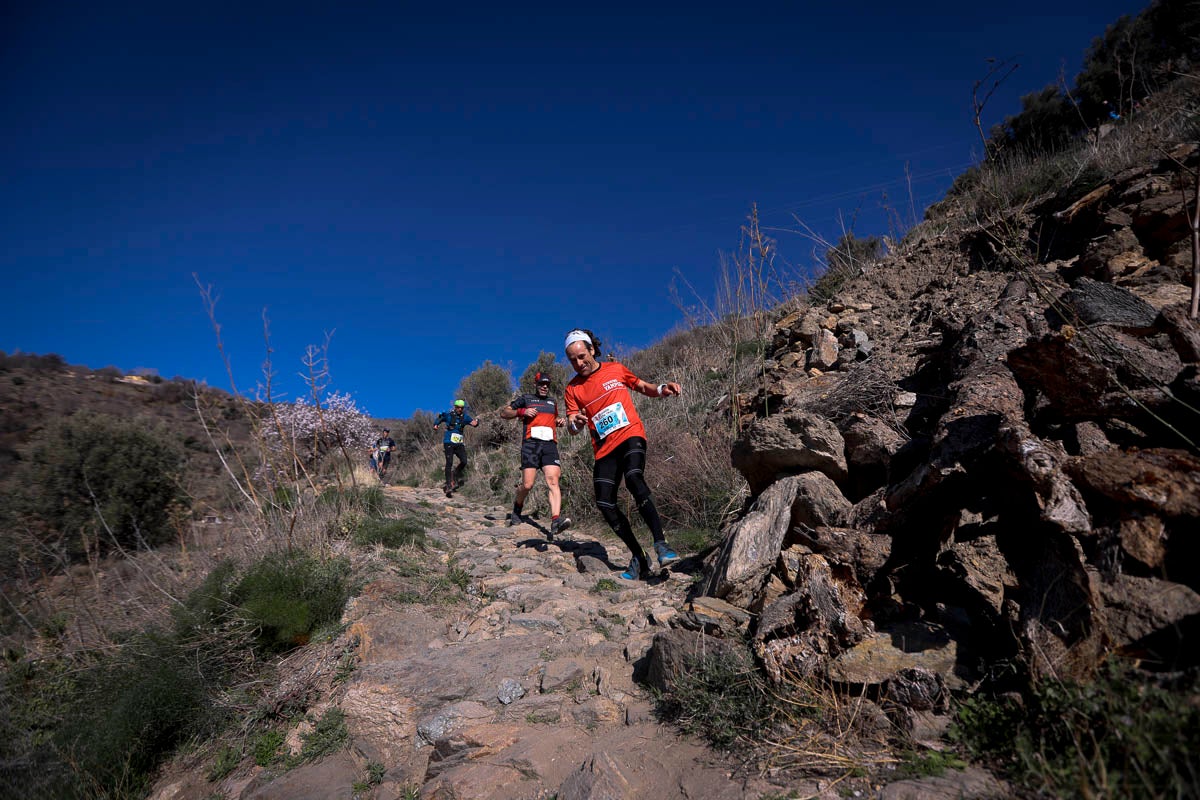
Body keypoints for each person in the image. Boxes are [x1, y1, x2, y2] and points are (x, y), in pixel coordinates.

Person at [563, 328, 681, 580]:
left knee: (634, 477)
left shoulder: (615, 369)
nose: (578, 363)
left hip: (630, 435)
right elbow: (572, 425)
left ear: (592, 350)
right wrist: (577, 423)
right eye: (572, 359)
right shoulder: (572, 389)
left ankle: (661, 544)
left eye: (582, 356)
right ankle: (639, 557)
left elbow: (642, 386)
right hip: (604, 449)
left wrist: (662, 389)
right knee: (604, 502)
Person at [499, 371, 571, 538]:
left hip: (549, 445)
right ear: (536, 385)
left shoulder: (553, 402)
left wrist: (558, 422)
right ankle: (518, 506)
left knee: (553, 481)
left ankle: (555, 520)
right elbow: (504, 413)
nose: (544, 387)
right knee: (527, 485)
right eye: (541, 384)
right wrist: (521, 412)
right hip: (531, 445)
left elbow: (553, 420)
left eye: (547, 384)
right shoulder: (526, 399)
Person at [433, 400, 479, 496]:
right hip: (448, 442)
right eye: (458, 407)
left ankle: (455, 473)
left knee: (464, 461)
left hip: (459, 443)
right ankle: (449, 485)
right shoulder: (448, 414)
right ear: (455, 407)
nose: (460, 409)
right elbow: (439, 419)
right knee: (449, 462)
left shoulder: (465, 417)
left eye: (462, 408)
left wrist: (476, 423)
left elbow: (473, 423)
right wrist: (436, 424)